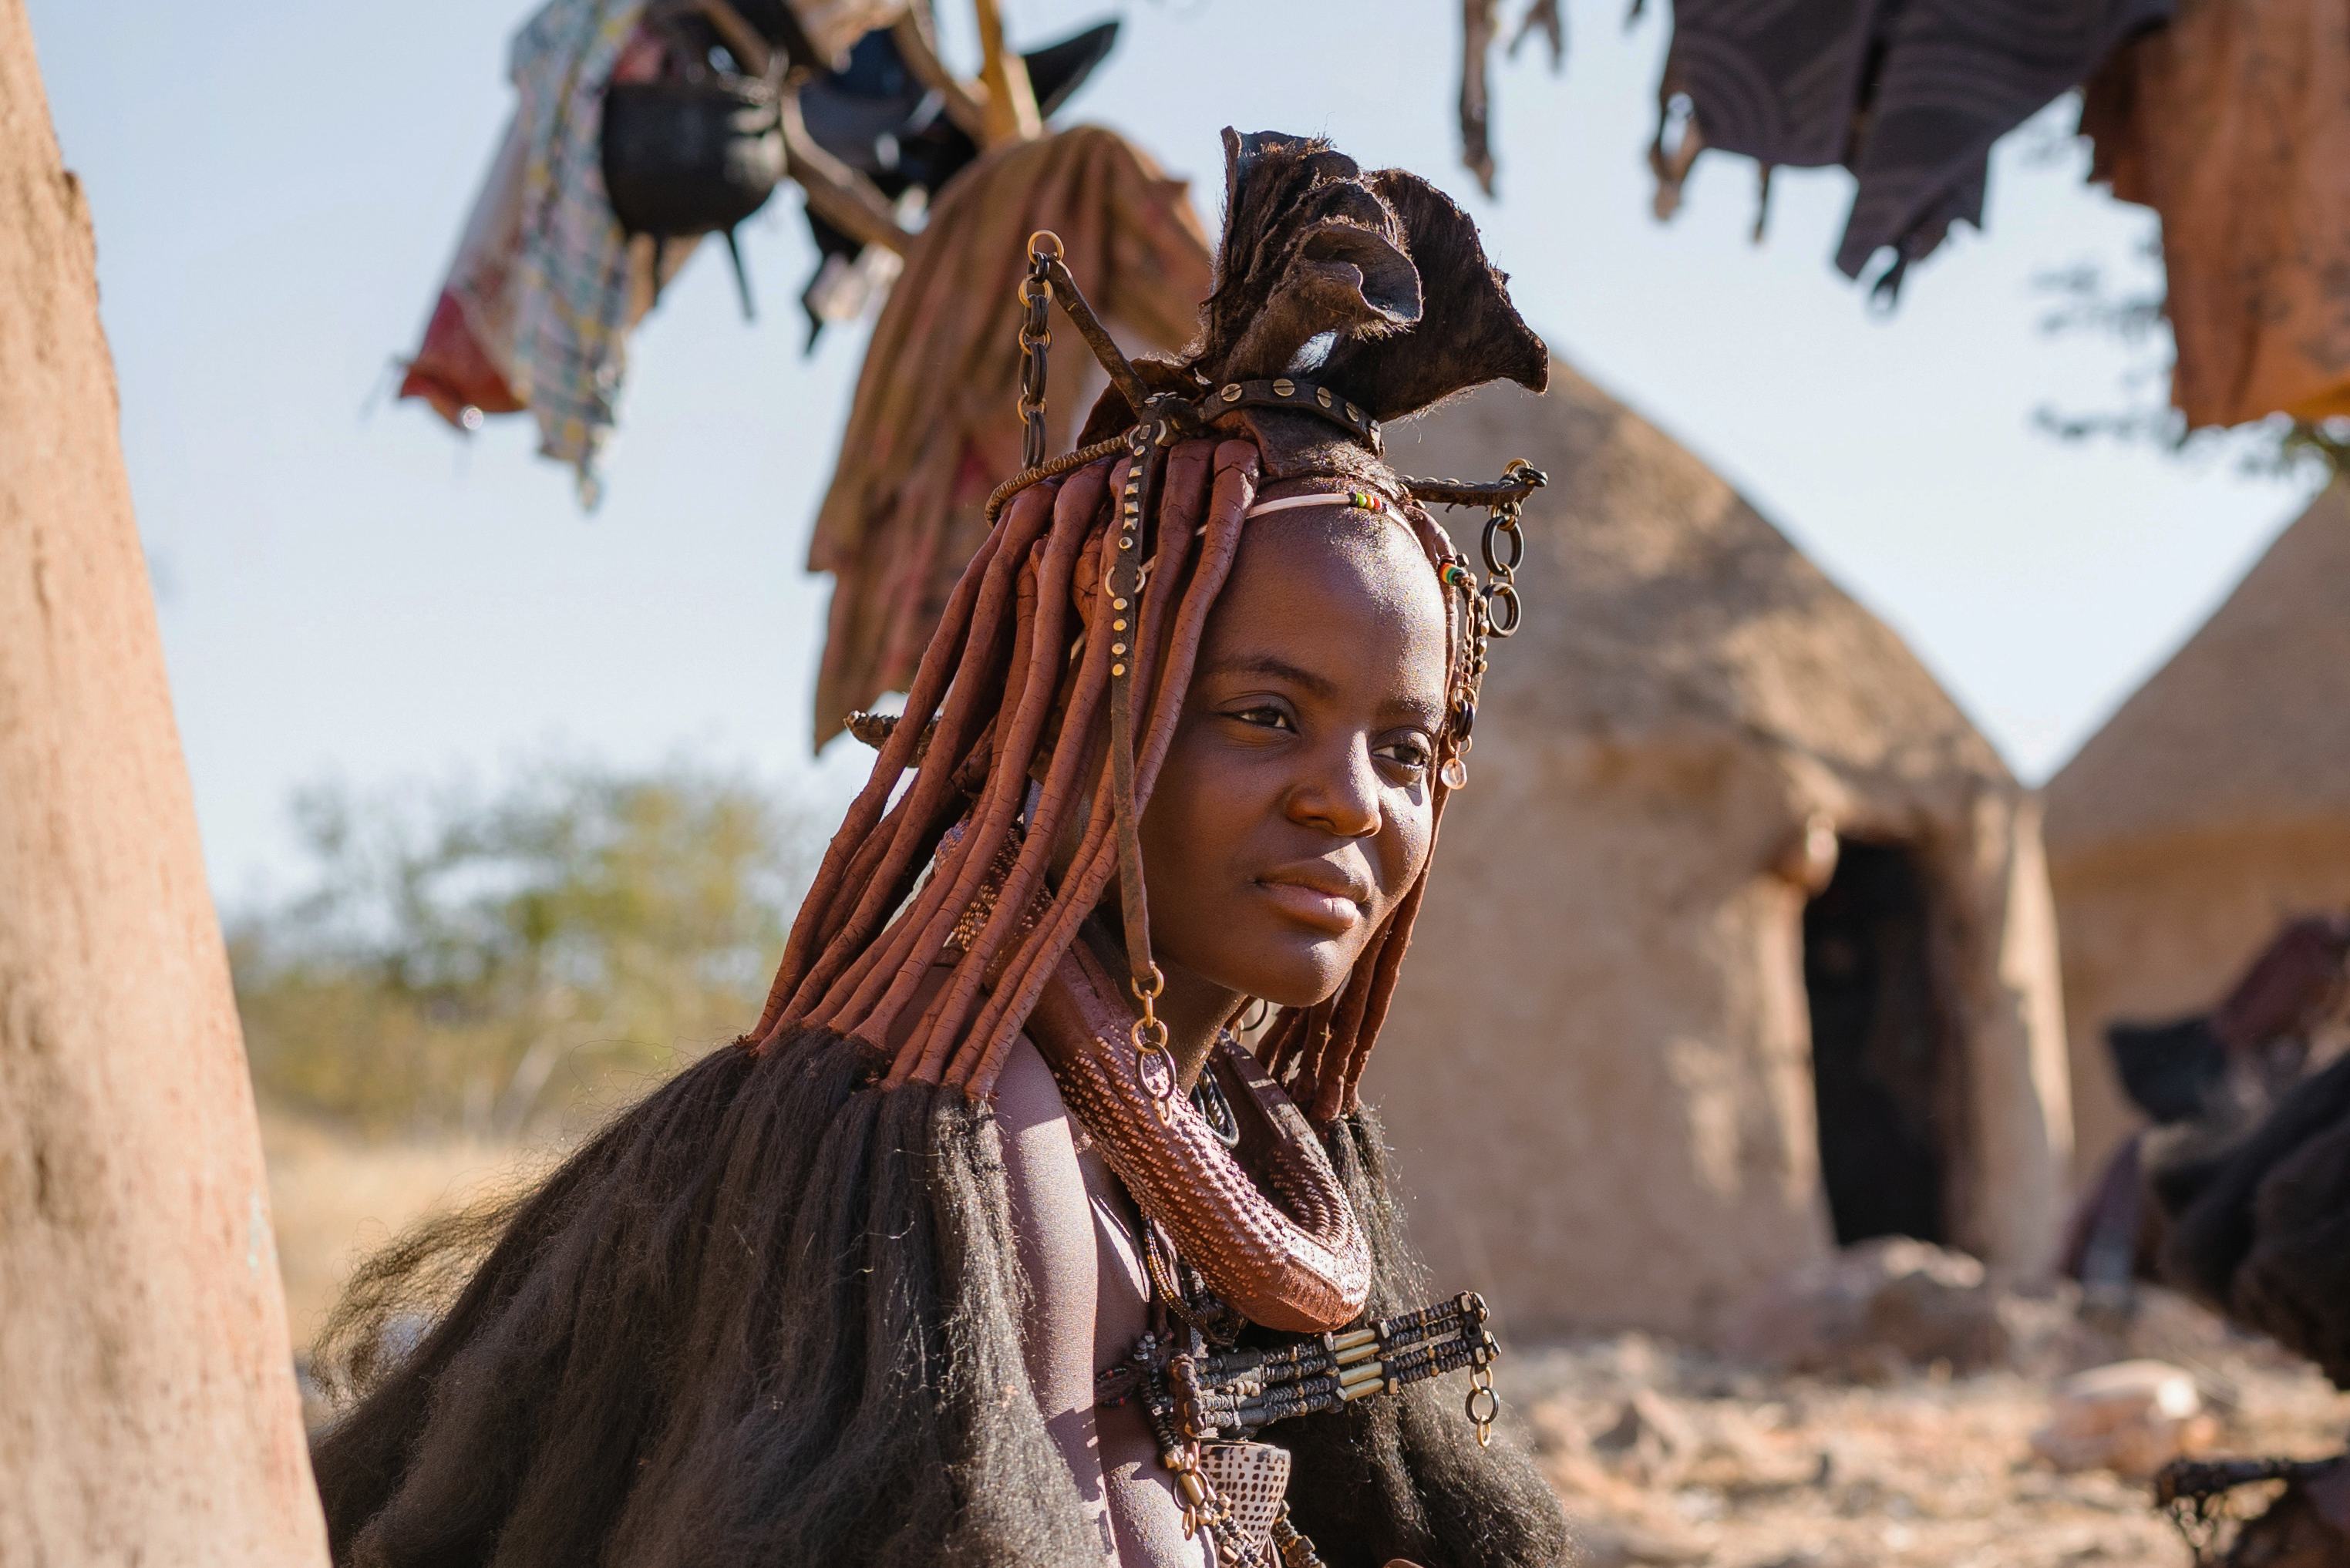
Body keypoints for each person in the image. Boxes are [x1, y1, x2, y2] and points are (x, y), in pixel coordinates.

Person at [311, 128, 1571, 1568]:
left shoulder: (1245, 1141)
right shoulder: (978, 1146)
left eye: (1404, 750)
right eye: (1264, 714)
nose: (1349, 799)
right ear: (1085, 730)